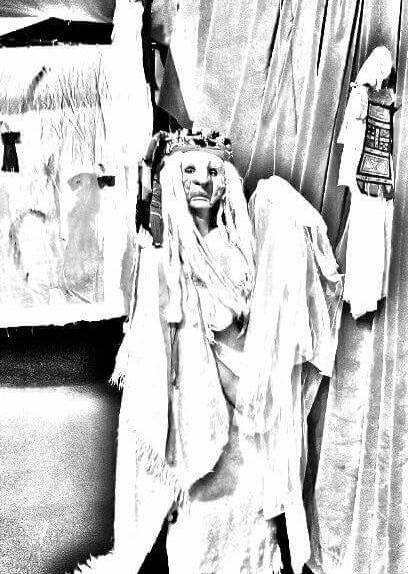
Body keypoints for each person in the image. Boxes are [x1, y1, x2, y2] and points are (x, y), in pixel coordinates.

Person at [74, 129, 342, 574]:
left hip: (247, 422)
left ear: (227, 182)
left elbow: (259, 332)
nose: (202, 180)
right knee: (200, 539)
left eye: (214, 171)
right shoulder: (164, 260)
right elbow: (158, 347)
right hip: (196, 419)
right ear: (174, 180)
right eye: (190, 171)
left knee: (251, 538)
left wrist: (256, 396)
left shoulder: (243, 252)